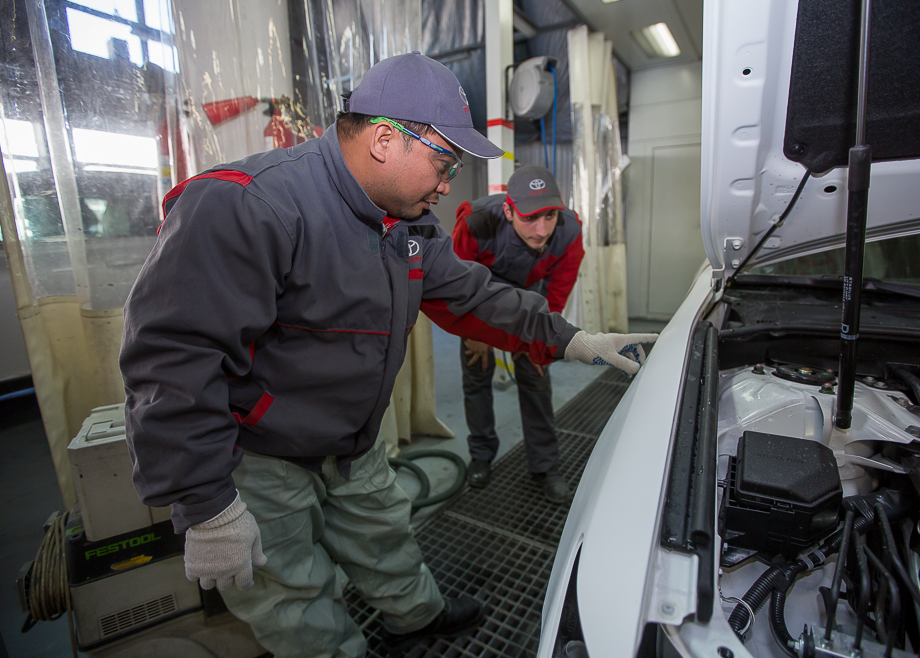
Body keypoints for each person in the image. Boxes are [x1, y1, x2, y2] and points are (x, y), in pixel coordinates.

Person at [120, 52, 656, 658]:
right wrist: (205, 501)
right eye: (444, 161)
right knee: (292, 593)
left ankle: (416, 617)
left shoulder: (404, 224)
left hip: (355, 437)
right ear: (383, 139)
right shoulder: (250, 206)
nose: (449, 183)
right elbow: (170, 362)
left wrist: (573, 338)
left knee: (385, 538)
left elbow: (478, 296)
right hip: (262, 455)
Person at [452, 166, 584, 502]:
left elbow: (557, 294)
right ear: (509, 211)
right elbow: (456, 284)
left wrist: (539, 339)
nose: (541, 231)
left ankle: (545, 465)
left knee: (535, 373)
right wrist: (474, 333)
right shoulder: (476, 223)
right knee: (476, 370)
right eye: (530, 219)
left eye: (550, 216)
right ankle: (481, 454)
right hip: (480, 294)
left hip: (531, 295)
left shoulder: (569, 232)